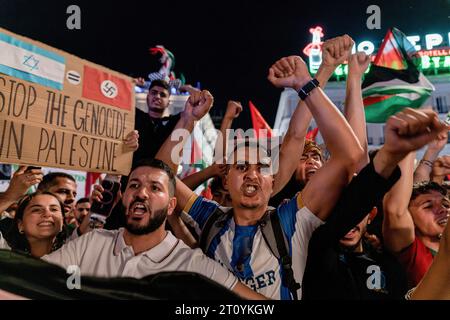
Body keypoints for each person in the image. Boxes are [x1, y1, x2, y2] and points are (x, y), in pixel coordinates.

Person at [156, 41, 370, 299]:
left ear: (274, 181)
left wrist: (307, 82)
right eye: (242, 166)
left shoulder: (292, 221)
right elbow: (159, 175)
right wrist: (187, 119)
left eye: (263, 167)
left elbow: (350, 155)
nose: (252, 174)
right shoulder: (210, 218)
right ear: (225, 179)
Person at [42, 159, 265, 300]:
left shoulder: (192, 265)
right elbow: (33, 277)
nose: (142, 193)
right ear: (125, 198)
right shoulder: (91, 243)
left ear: (171, 206)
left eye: (155, 188)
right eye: (134, 185)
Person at [383, 148, 450, 287]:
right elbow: (395, 210)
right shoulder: (414, 254)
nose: (442, 209)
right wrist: (410, 144)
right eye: (428, 206)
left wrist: (433, 149)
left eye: (445, 203)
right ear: (410, 221)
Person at [0, 192, 67, 258]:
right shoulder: (5, 256)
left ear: (62, 222)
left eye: (54, 209)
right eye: (36, 210)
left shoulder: (74, 254)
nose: (47, 214)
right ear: (20, 225)